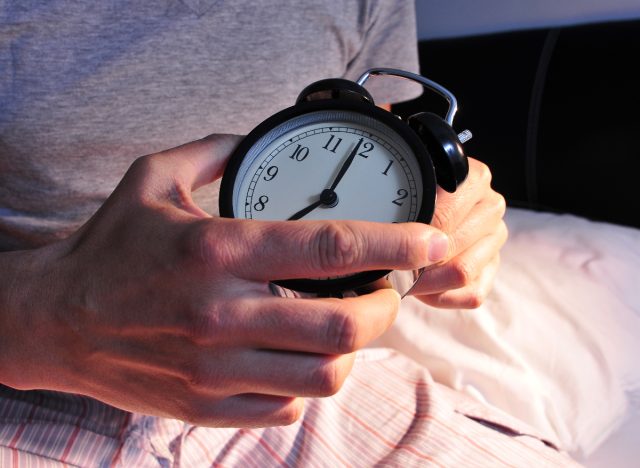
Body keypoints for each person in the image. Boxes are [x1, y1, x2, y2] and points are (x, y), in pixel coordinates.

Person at [0, 1, 579, 465]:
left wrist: (457, 227)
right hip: (26, 393)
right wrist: (53, 318)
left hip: (298, 392)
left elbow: (373, 147)